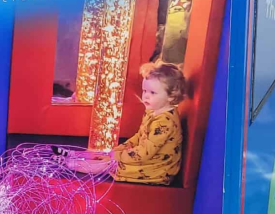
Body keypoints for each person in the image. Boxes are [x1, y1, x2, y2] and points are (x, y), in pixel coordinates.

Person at [54, 61, 186, 185]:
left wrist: (116, 156)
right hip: (147, 157)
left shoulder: (165, 123)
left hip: (157, 170)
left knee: (109, 164)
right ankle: (74, 154)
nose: (145, 96)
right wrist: (116, 150)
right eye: (144, 91)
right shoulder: (153, 110)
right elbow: (139, 136)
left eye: (152, 93)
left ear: (171, 96)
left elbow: (144, 153)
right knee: (106, 154)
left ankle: (69, 164)